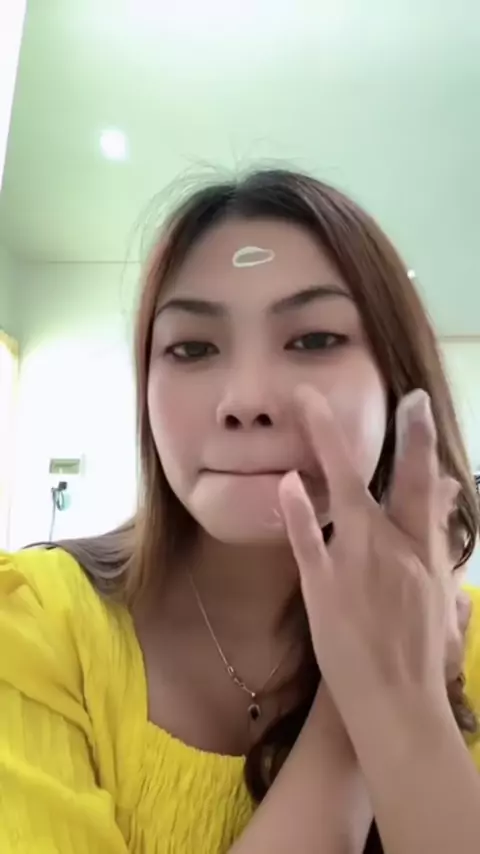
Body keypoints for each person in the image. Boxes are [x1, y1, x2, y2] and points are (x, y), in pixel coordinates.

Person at [1, 169, 480, 854]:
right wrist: (360, 708)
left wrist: (412, 717)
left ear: (396, 379)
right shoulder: (29, 625)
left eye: (313, 340)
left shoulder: (468, 640)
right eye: (193, 348)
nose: (246, 400)